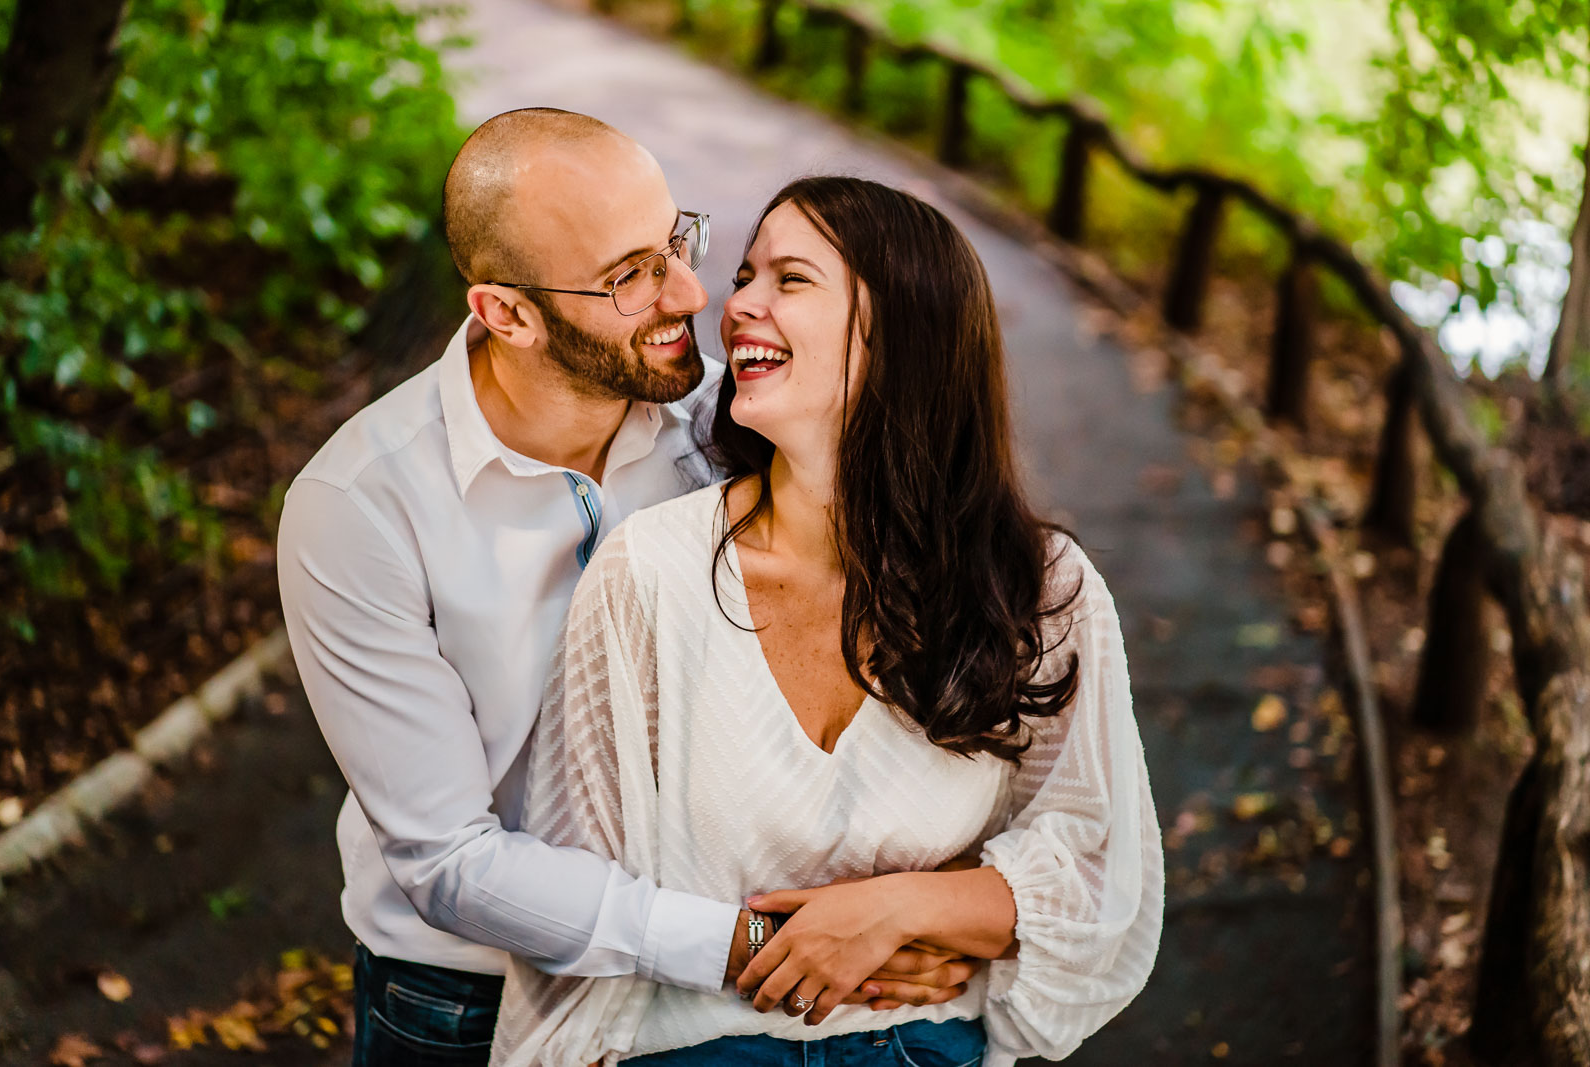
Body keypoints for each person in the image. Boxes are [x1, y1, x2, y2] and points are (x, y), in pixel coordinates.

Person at [277, 112, 969, 1066]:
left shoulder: (744, 427)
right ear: (506, 314)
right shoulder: (360, 507)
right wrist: (760, 947)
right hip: (465, 1002)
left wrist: (918, 911)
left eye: (675, 242)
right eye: (627, 276)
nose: (689, 292)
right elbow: (448, 859)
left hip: (718, 1017)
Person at [488, 176, 1165, 1067]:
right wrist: (793, 946)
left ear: (901, 334)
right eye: (745, 274)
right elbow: (580, 897)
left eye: (791, 280)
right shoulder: (649, 573)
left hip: (923, 1050)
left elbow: (1097, 873)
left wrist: (897, 911)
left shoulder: (1036, 586)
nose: (737, 306)